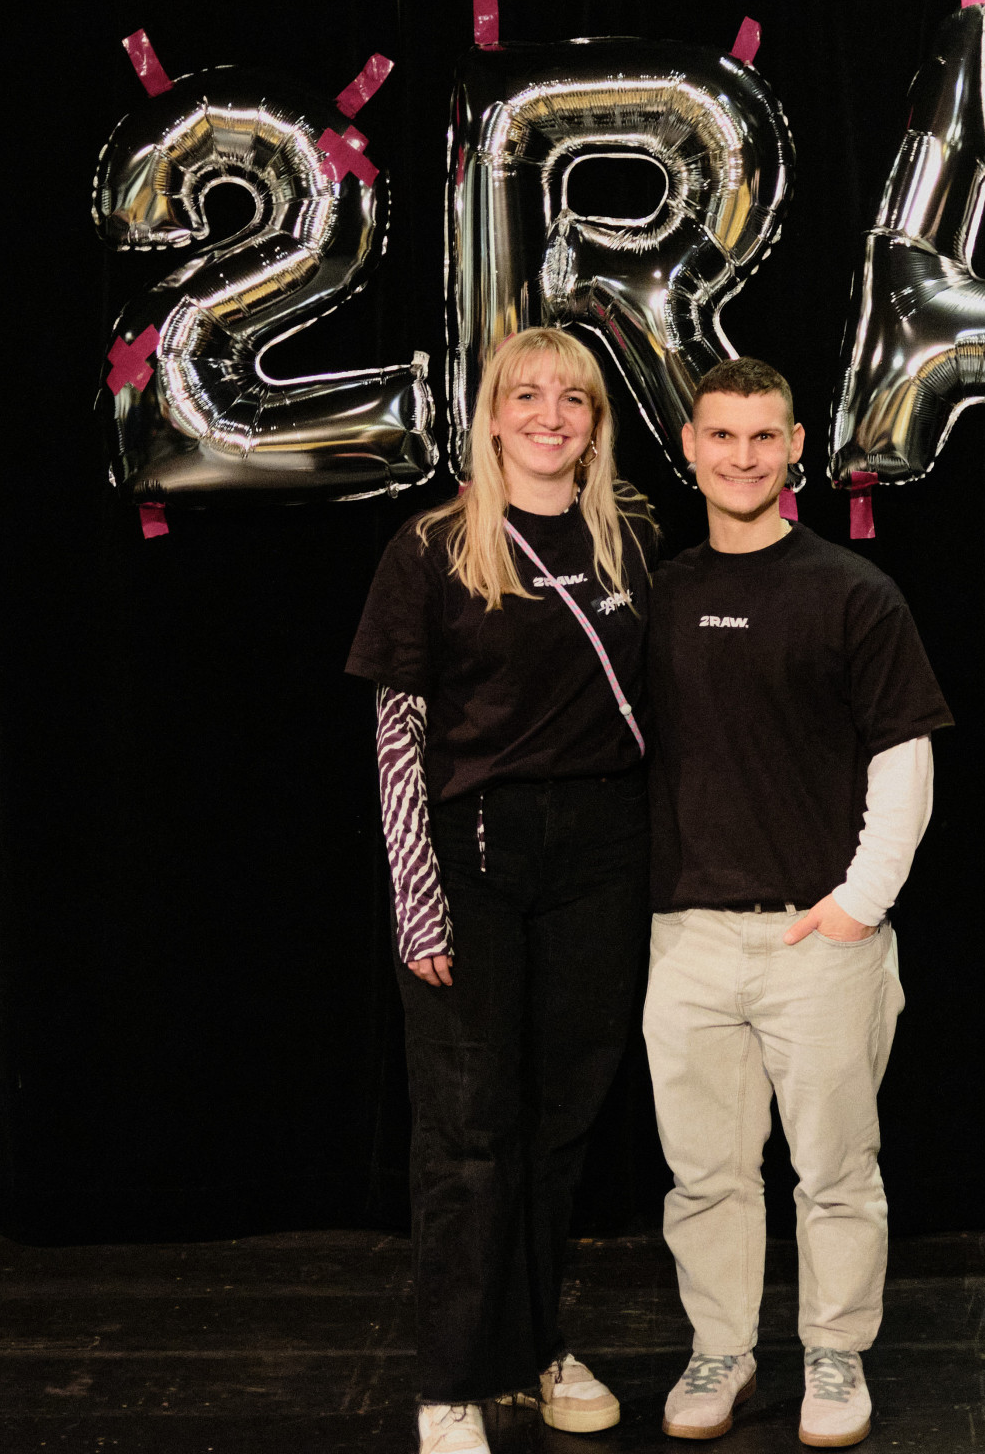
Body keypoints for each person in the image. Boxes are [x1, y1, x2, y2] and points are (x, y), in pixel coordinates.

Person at [345, 327, 658, 1454]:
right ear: (490, 417)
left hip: (602, 854)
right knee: (469, 1132)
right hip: (473, 853)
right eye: (525, 396)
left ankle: (533, 1349)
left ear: (595, 423)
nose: (549, 416)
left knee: (561, 1123)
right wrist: (417, 900)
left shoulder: (633, 538)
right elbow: (398, 734)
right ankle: (452, 1379)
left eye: (572, 399)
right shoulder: (432, 546)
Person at [641, 357, 952, 1448]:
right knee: (705, 1178)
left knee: (835, 1174)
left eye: (763, 437)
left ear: (795, 448)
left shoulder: (852, 592)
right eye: (722, 437)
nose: (743, 457)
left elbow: (905, 760)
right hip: (684, 936)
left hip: (817, 938)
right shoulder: (657, 595)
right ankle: (721, 1350)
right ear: (690, 448)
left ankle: (834, 1353)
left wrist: (857, 906)